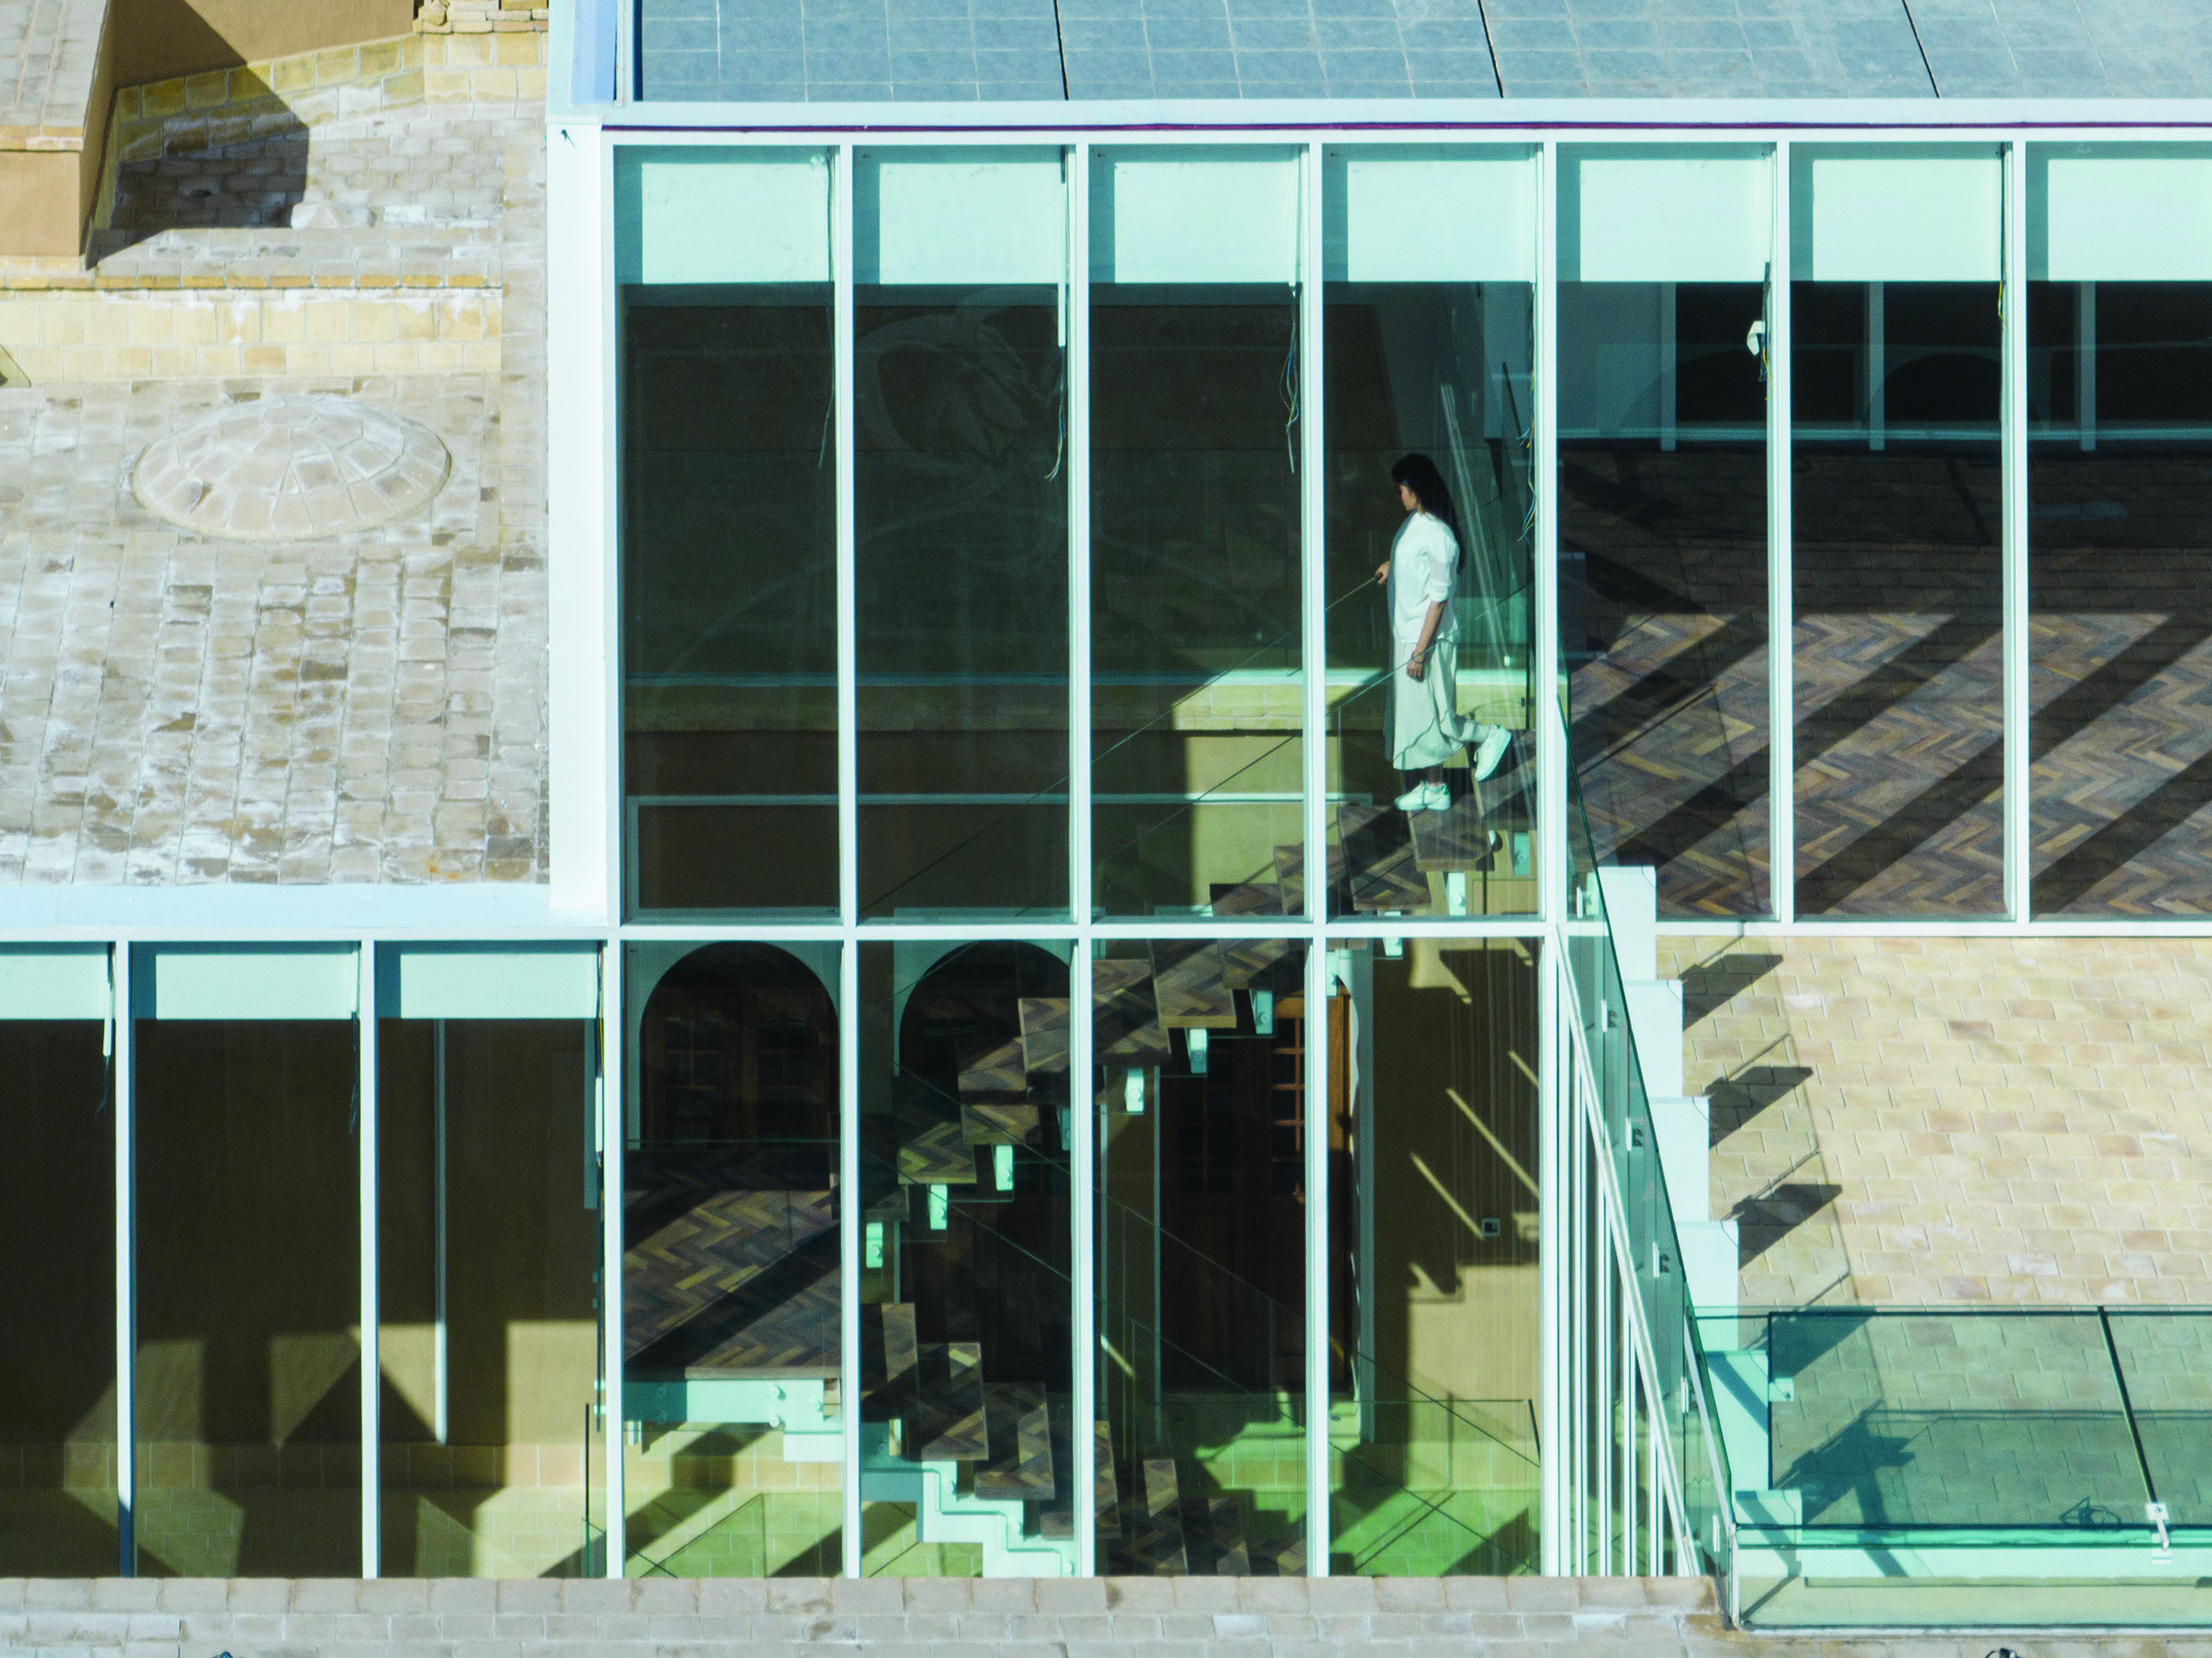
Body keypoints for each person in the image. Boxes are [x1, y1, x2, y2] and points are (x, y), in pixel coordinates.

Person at [1374, 453, 1513, 813]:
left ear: (1416, 490)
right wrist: (1395, 567)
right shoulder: (1416, 523)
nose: (1398, 495)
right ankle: (1434, 786)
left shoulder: (1440, 536)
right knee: (1417, 716)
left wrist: (1421, 651)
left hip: (1427, 639)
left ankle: (1491, 735)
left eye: (1401, 489)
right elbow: (1413, 561)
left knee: (1440, 716)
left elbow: (1438, 599)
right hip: (1408, 635)